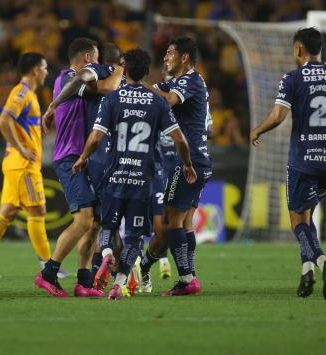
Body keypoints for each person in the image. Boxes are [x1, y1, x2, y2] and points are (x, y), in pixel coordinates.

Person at [250, 27, 326, 299]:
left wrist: (257, 130)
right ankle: (307, 273)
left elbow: (278, 116)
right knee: (307, 217)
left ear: (298, 49)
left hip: (303, 160)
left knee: (297, 221)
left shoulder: (292, 78)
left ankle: (323, 262)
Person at [72, 48, 196, 300]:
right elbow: (180, 140)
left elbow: (96, 137)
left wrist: (83, 158)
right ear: (147, 72)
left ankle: (106, 255)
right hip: (144, 180)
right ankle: (119, 283)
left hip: (115, 175)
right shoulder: (158, 101)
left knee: (108, 226)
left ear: (124, 70)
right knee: (134, 237)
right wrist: (187, 164)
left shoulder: (111, 99)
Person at [36, 37, 123, 297]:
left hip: (86, 157)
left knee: (94, 223)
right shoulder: (68, 78)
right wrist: (119, 67)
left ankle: (83, 281)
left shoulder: (77, 80)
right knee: (83, 220)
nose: (97, 63)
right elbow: (109, 87)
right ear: (87, 57)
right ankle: (48, 273)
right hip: (69, 157)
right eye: (95, 59)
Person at [0, 52, 58, 278]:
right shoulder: (22, 92)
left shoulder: (30, 95)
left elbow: (19, 124)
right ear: (36, 70)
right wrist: (21, 148)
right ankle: (48, 265)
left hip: (16, 164)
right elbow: (3, 120)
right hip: (23, 164)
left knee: (7, 212)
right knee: (37, 210)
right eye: (44, 68)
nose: (47, 72)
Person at [142, 37, 213, 296]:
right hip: (194, 161)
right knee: (184, 223)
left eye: (170, 53)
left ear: (184, 57)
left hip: (188, 163)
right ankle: (189, 275)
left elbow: (168, 100)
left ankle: (186, 280)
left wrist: (140, 82)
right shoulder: (175, 81)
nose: (165, 58)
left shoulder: (191, 80)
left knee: (171, 222)